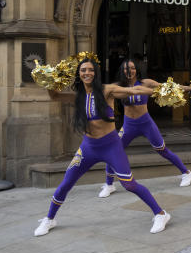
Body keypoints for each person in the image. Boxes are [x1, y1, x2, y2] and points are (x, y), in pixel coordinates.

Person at [35, 56, 171, 236]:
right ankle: (49, 219)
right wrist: (48, 80)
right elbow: (54, 95)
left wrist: (162, 90)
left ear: (96, 73)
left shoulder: (107, 90)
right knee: (66, 183)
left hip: (111, 146)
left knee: (129, 185)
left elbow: (133, 90)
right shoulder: (78, 94)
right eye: (83, 70)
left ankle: (161, 214)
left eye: (90, 70)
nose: (87, 73)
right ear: (79, 74)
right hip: (88, 148)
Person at [98, 60, 191, 198]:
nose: (129, 71)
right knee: (113, 151)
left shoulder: (146, 83)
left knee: (163, 150)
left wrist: (189, 88)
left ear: (136, 70)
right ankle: (109, 184)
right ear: (122, 71)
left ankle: (186, 173)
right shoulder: (118, 86)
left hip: (146, 123)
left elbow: (168, 87)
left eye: (132, 68)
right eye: (126, 69)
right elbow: (98, 91)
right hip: (128, 125)